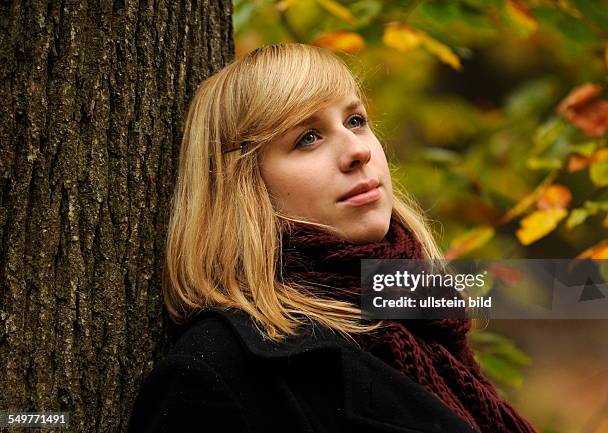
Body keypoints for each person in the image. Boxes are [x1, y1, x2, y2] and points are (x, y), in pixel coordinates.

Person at [127, 43, 538, 433]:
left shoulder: (427, 327)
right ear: (244, 185)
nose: (357, 150)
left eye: (355, 121)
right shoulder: (217, 374)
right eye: (308, 137)